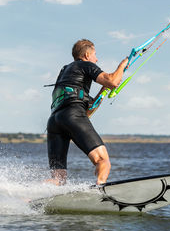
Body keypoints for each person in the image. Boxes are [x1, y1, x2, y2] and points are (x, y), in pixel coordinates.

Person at [46, 39, 128, 186]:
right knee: (103, 161)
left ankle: (32, 194)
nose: (97, 59)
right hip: (72, 115)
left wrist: (103, 91)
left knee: (58, 178)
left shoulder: (66, 72)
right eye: (95, 55)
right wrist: (122, 65)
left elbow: (87, 112)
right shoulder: (85, 64)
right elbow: (113, 81)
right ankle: (100, 189)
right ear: (87, 54)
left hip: (54, 121)